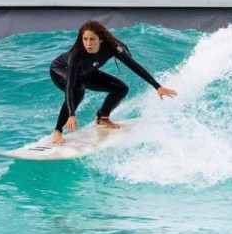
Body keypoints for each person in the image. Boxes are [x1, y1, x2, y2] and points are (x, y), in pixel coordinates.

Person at [49, 20, 177, 145]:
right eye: (85, 39)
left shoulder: (112, 47)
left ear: (100, 40)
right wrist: (71, 114)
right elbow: (70, 86)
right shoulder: (77, 53)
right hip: (60, 70)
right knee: (78, 89)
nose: (88, 43)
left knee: (121, 89)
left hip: (86, 73)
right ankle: (58, 130)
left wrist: (157, 87)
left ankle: (102, 117)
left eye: (92, 39)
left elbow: (135, 66)